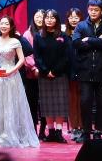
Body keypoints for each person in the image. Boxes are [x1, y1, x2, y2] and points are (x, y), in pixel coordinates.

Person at [0, 16, 39, 148]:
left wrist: (12, 70)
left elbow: (21, 59)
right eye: (2, 24)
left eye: (6, 24)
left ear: (11, 26)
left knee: (11, 103)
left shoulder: (15, 41)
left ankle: (10, 133)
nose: (3, 26)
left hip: (12, 76)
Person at [72, 0, 102, 141]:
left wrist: (88, 39)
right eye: (91, 10)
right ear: (87, 10)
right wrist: (98, 40)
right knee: (85, 102)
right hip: (85, 71)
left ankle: (98, 131)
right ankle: (86, 132)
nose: (93, 12)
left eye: (96, 10)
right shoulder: (81, 25)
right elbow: (76, 43)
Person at [34, 9, 71, 143]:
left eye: (52, 17)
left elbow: (66, 56)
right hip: (44, 75)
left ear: (57, 20)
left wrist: (55, 71)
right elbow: (37, 56)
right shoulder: (38, 36)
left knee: (60, 103)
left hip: (60, 74)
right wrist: (45, 71)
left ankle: (59, 133)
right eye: (47, 17)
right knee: (47, 104)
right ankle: (50, 132)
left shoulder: (63, 35)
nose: (49, 20)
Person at [23, 8, 45, 141]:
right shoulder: (27, 34)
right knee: (32, 103)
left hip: (44, 74)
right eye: (37, 16)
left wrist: (42, 68)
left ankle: (43, 130)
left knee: (44, 104)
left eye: (41, 17)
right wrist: (34, 67)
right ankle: (33, 130)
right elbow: (26, 54)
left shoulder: (48, 33)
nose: (39, 19)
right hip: (31, 75)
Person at [64, 8, 84, 140]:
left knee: (82, 100)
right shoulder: (64, 35)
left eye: (76, 17)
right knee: (72, 100)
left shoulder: (84, 32)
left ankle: (82, 127)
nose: (73, 20)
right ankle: (74, 127)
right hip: (69, 71)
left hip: (83, 70)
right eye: (71, 17)